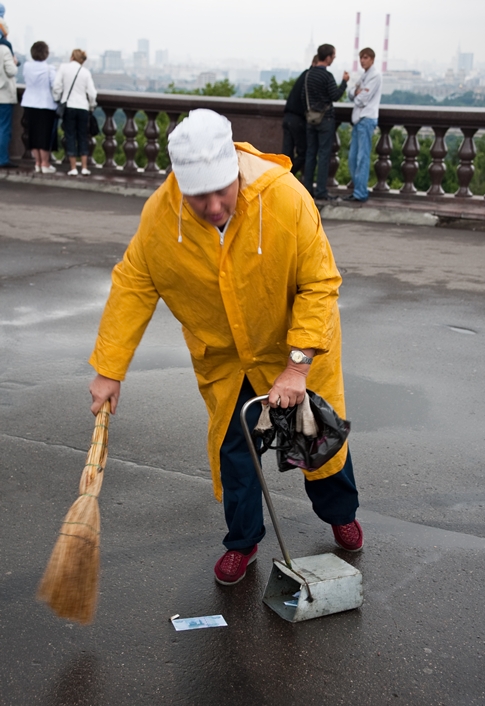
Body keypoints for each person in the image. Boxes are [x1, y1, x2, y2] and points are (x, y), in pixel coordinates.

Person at [88, 108, 363, 587]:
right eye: (199, 196)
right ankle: (242, 541)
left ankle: (340, 514)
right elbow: (133, 285)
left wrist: (296, 367)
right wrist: (110, 369)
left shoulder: (284, 197)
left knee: (317, 436)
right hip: (227, 358)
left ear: (236, 170)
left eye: (223, 190)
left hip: (294, 346)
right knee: (237, 452)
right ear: (179, 184)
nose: (214, 206)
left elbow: (320, 284)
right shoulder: (161, 215)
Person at [302, 43, 349, 202]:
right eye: (333, 56)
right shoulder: (327, 76)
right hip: (325, 119)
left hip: (310, 118)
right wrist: (344, 82)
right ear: (328, 57)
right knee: (323, 155)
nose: (333, 59)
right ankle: (321, 190)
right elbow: (335, 95)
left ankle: (307, 189)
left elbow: (303, 96)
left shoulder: (309, 75)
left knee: (310, 154)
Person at [343, 47, 382, 203]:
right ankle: (358, 190)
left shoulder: (375, 75)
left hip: (366, 119)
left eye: (365, 57)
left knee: (362, 158)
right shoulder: (364, 75)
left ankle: (360, 193)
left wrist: (357, 93)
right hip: (358, 120)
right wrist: (356, 92)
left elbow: (361, 99)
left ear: (372, 59)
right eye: (361, 58)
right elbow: (351, 93)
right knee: (353, 158)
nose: (362, 60)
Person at [52, 48, 97, 176]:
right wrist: (91, 106)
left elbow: (57, 86)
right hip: (83, 107)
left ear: (72, 57)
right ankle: (84, 167)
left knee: (70, 136)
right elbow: (92, 93)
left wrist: (58, 99)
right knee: (83, 136)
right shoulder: (85, 72)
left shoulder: (63, 68)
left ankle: (73, 168)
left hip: (69, 106)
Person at [21, 41, 58, 174]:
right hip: (45, 104)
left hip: (29, 103)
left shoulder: (26, 66)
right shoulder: (49, 69)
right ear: (46, 54)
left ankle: (37, 163)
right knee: (44, 136)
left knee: (33, 135)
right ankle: (45, 163)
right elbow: (55, 85)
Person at [281, 55, 317, 177]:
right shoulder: (311, 77)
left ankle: (282, 176)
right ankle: (286, 176)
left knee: (286, 154)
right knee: (304, 152)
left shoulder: (304, 75)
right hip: (297, 119)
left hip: (287, 117)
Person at [0, 34, 17, 169]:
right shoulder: (4, 49)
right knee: (4, 128)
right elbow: (11, 71)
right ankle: (2, 159)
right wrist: (14, 63)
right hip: (3, 96)